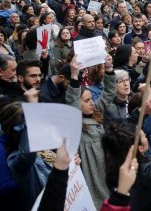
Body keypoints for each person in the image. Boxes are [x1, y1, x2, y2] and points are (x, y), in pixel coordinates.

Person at [65, 54, 114, 207]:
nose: (92, 103)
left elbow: (108, 94)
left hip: (105, 172)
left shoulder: (96, 113)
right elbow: (72, 100)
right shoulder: (75, 124)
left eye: (91, 98)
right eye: (86, 101)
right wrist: (74, 74)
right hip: (91, 177)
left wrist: (109, 68)